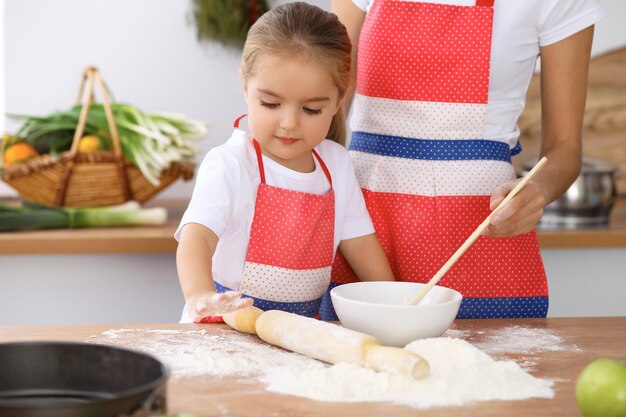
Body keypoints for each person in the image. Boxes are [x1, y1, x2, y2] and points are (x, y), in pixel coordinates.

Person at [329, 0, 605, 319]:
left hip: (478, 234)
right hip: (362, 230)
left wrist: (534, 192)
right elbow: (330, 101)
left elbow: (564, 148)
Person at [175, 2, 394, 323]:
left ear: (338, 99)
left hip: (300, 330)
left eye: (311, 110)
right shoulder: (231, 163)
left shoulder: (336, 163)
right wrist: (201, 296)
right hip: (225, 326)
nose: (289, 123)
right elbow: (197, 238)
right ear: (245, 86)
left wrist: (394, 301)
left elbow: (360, 243)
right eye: (271, 103)